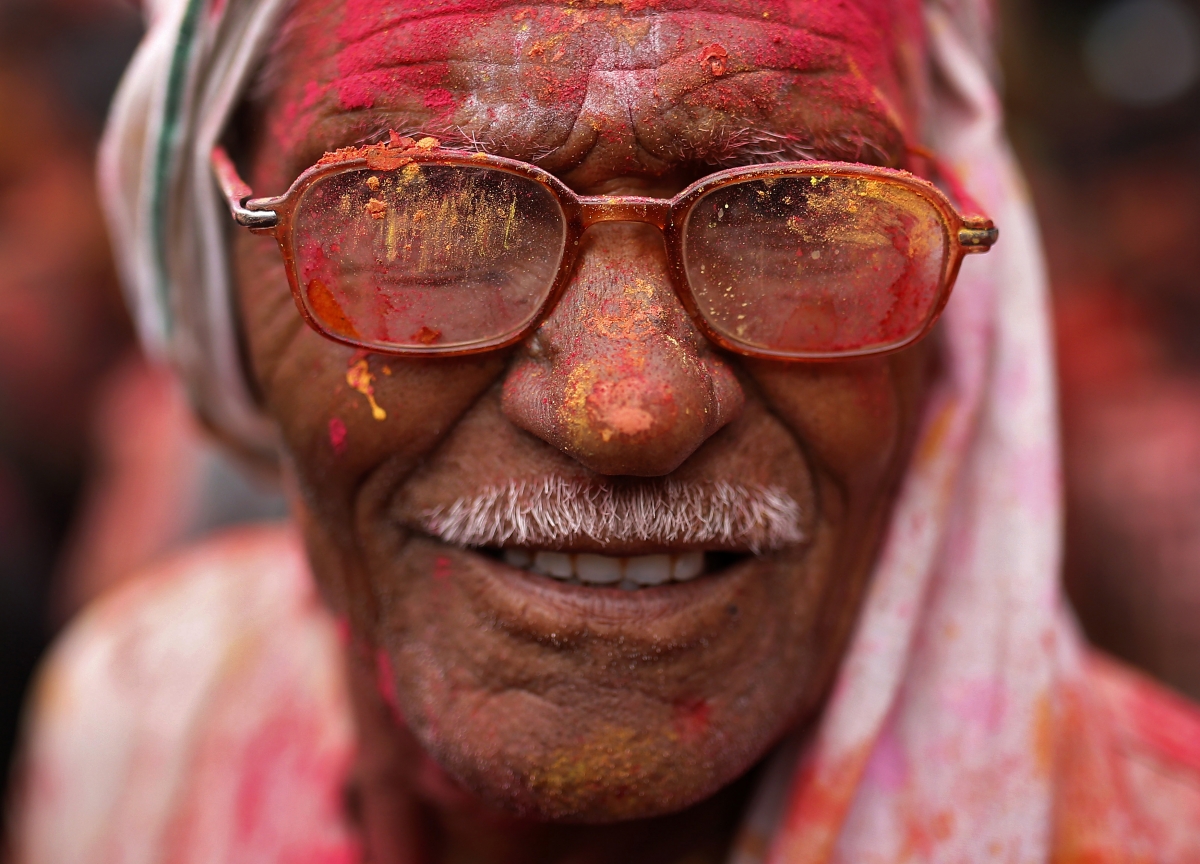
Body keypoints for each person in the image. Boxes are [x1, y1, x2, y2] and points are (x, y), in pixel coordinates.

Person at [8, 0, 1200, 862]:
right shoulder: (139, 716)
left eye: (794, 215)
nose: (627, 411)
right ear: (218, 276)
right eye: (431, 214)